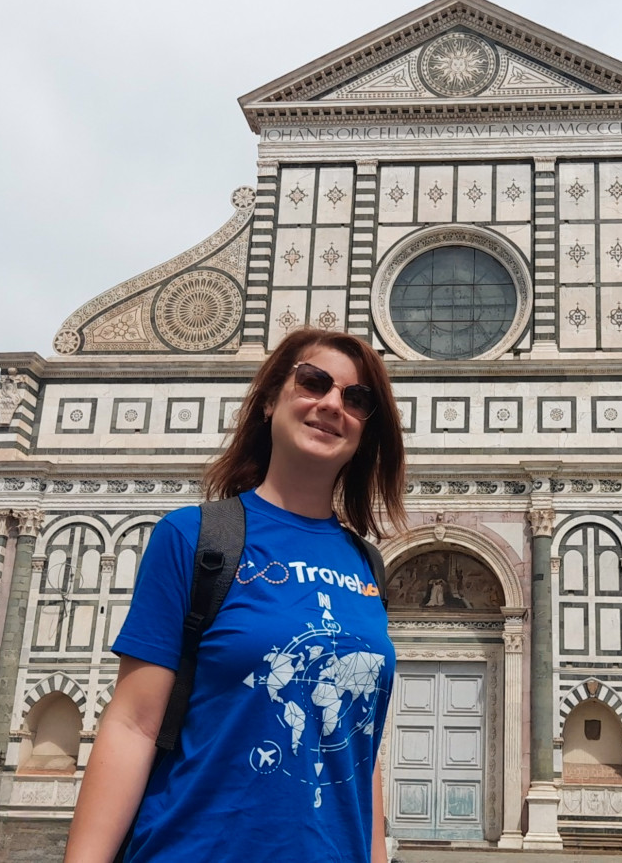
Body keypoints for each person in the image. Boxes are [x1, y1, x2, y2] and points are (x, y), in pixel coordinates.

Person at [65, 328, 406, 863]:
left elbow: (361, 747)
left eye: (356, 398)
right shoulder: (194, 537)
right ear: (271, 398)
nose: (332, 403)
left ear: (366, 428)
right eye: (314, 382)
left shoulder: (368, 566)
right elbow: (134, 723)